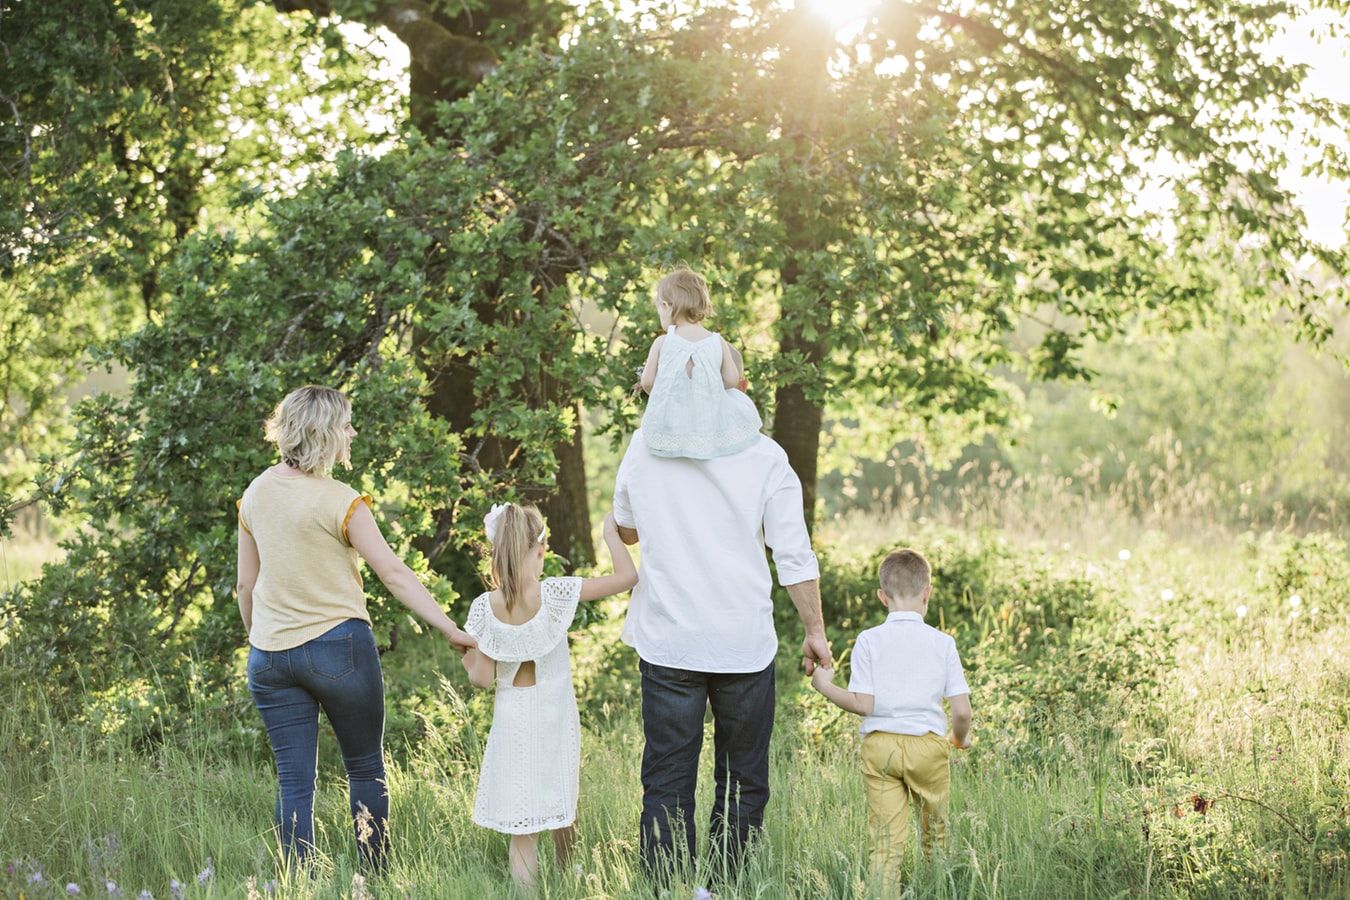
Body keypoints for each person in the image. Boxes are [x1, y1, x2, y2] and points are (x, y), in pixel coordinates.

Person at [235, 385, 477, 870]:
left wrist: (259, 640)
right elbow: (393, 574)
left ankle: (299, 881)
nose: (353, 433)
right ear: (325, 433)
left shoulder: (255, 493)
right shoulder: (342, 501)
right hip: (337, 648)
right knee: (366, 768)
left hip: (269, 656)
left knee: (293, 782)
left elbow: (246, 585)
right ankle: (376, 875)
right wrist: (450, 628)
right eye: (346, 425)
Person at [613, 341, 830, 881]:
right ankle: (726, 885)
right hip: (742, 640)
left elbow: (628, 528)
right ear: (738, 384)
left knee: (667, 775)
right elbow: (794, 554)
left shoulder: (644, 447)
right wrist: (815, 631)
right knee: (742, 777)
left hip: (669, 639)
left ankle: (665, 888)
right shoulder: (764, 456)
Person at [460, 504, 638, 887]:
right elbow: (626, 577)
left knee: (522, 824)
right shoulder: (556, 594)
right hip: (554, 715)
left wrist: (466, 655)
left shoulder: (484, 609)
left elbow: (481, 678)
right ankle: (567, 879)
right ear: (540, 550)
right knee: (562, 799)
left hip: (512, 720)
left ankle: (526, 893)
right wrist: (610, 536)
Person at [809, 548, 973, 889]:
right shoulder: (943, 643)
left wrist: (826, 687)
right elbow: (962, 711)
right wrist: (958, 739)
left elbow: (863, 705)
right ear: (927, 593)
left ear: (882, 596)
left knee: (885, 843)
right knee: (935, 833)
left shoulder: (868, 640)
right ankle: (939, 890)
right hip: (928, 747)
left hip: (881, 747)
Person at [636, 266, 763, 459]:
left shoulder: (662, 342)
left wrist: (667, 393)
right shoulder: (717, 341)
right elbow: (731, 380)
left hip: (672, 422)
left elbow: (647, 382)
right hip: (707, 422)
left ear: (665, 306)